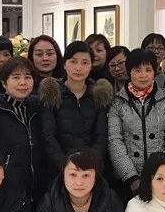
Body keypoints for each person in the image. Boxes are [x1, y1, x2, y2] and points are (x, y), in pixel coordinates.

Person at [108, 48, 165, 200]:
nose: (143, 75)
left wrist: (162, 171)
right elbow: (115, 141)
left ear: (154, 72)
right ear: (129, 72)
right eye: (137, 70)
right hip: (128, 182)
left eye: (148, 70)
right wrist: (131, 177)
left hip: (162, 178)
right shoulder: (117, 102)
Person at [0, 56, 47, 203]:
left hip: (39, 190)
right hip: (5, 191)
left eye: (28, 77)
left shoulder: (38, 109)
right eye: (16, 77)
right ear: (4, 82)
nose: (22, 82)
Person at [40, 41, 113, 178]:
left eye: (85, 63)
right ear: (64, 64)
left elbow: (101, 135)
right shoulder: (52, 92)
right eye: (73, 62)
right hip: (58, 170)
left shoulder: (99, 94)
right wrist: (65, 165)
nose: (78, 68)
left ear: (91, 65)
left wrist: (90, 163)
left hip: (91, 169)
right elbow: (48, 135)